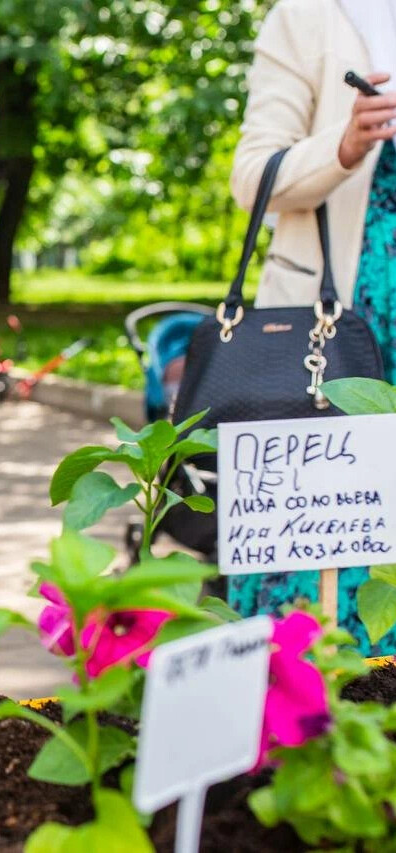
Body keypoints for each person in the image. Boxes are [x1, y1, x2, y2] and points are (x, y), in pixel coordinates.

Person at [228, 0, 396, 654]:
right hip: (332, 333)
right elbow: (252, 176)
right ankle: (300, 725)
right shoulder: (304, 16)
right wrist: (345, 145)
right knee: (312, 541)